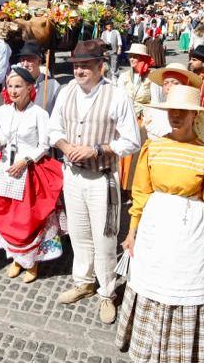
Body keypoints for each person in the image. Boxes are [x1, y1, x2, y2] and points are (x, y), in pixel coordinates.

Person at [118, 85, 204, 363]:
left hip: (189, 229)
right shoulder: (153, 148)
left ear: (195, 115)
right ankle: (146, 348)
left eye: (183, 111)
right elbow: (140, 192)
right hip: (155, 224)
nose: (176, 116)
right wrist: (132, 232)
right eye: (172, 111)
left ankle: (182, 358)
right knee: (153, 282)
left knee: (183, 285)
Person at [49, 40, 141, 324]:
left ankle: (107, 292)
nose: (79, 71)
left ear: (100, 67)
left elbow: (132, 141)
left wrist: (98, 149)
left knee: (104, 237)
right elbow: (54, 129)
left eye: (86, 65)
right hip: (73, 175)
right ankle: (84, 281)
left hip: (102, 177)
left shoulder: (116, 96)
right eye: (76, 65)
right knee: (78, 233)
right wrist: (65, 147)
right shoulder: (66, 93)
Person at [0, 67, 63, 282]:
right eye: (10, 86)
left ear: (29, 87)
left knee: (27, 218)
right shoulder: (3, 111)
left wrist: (25, 161)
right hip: (8, 169)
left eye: (18, 86)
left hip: (30, 169)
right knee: (10, 217)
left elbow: (44, 145)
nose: (13, 90)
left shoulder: (39, 114)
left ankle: (32, 261)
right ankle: (17, 258)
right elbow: (2, 138)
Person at [117, 43, 155, 191]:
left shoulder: (151, 78)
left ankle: (136, 186)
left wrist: (148, 120)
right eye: (130, 56)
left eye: (135, 56)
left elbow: (155, 102)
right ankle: (122, 185)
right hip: (125, 119)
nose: (132, 59)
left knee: (138, 155)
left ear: (143, 58)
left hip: (143, 121)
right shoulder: (123, 77)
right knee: (124, 154)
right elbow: (119, 99)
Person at [14, 41, 60, 114]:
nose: (25, 64)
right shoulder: (15, 84)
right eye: (23, 60)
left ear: (39, 62)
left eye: (29, 60)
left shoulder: (53, 85)